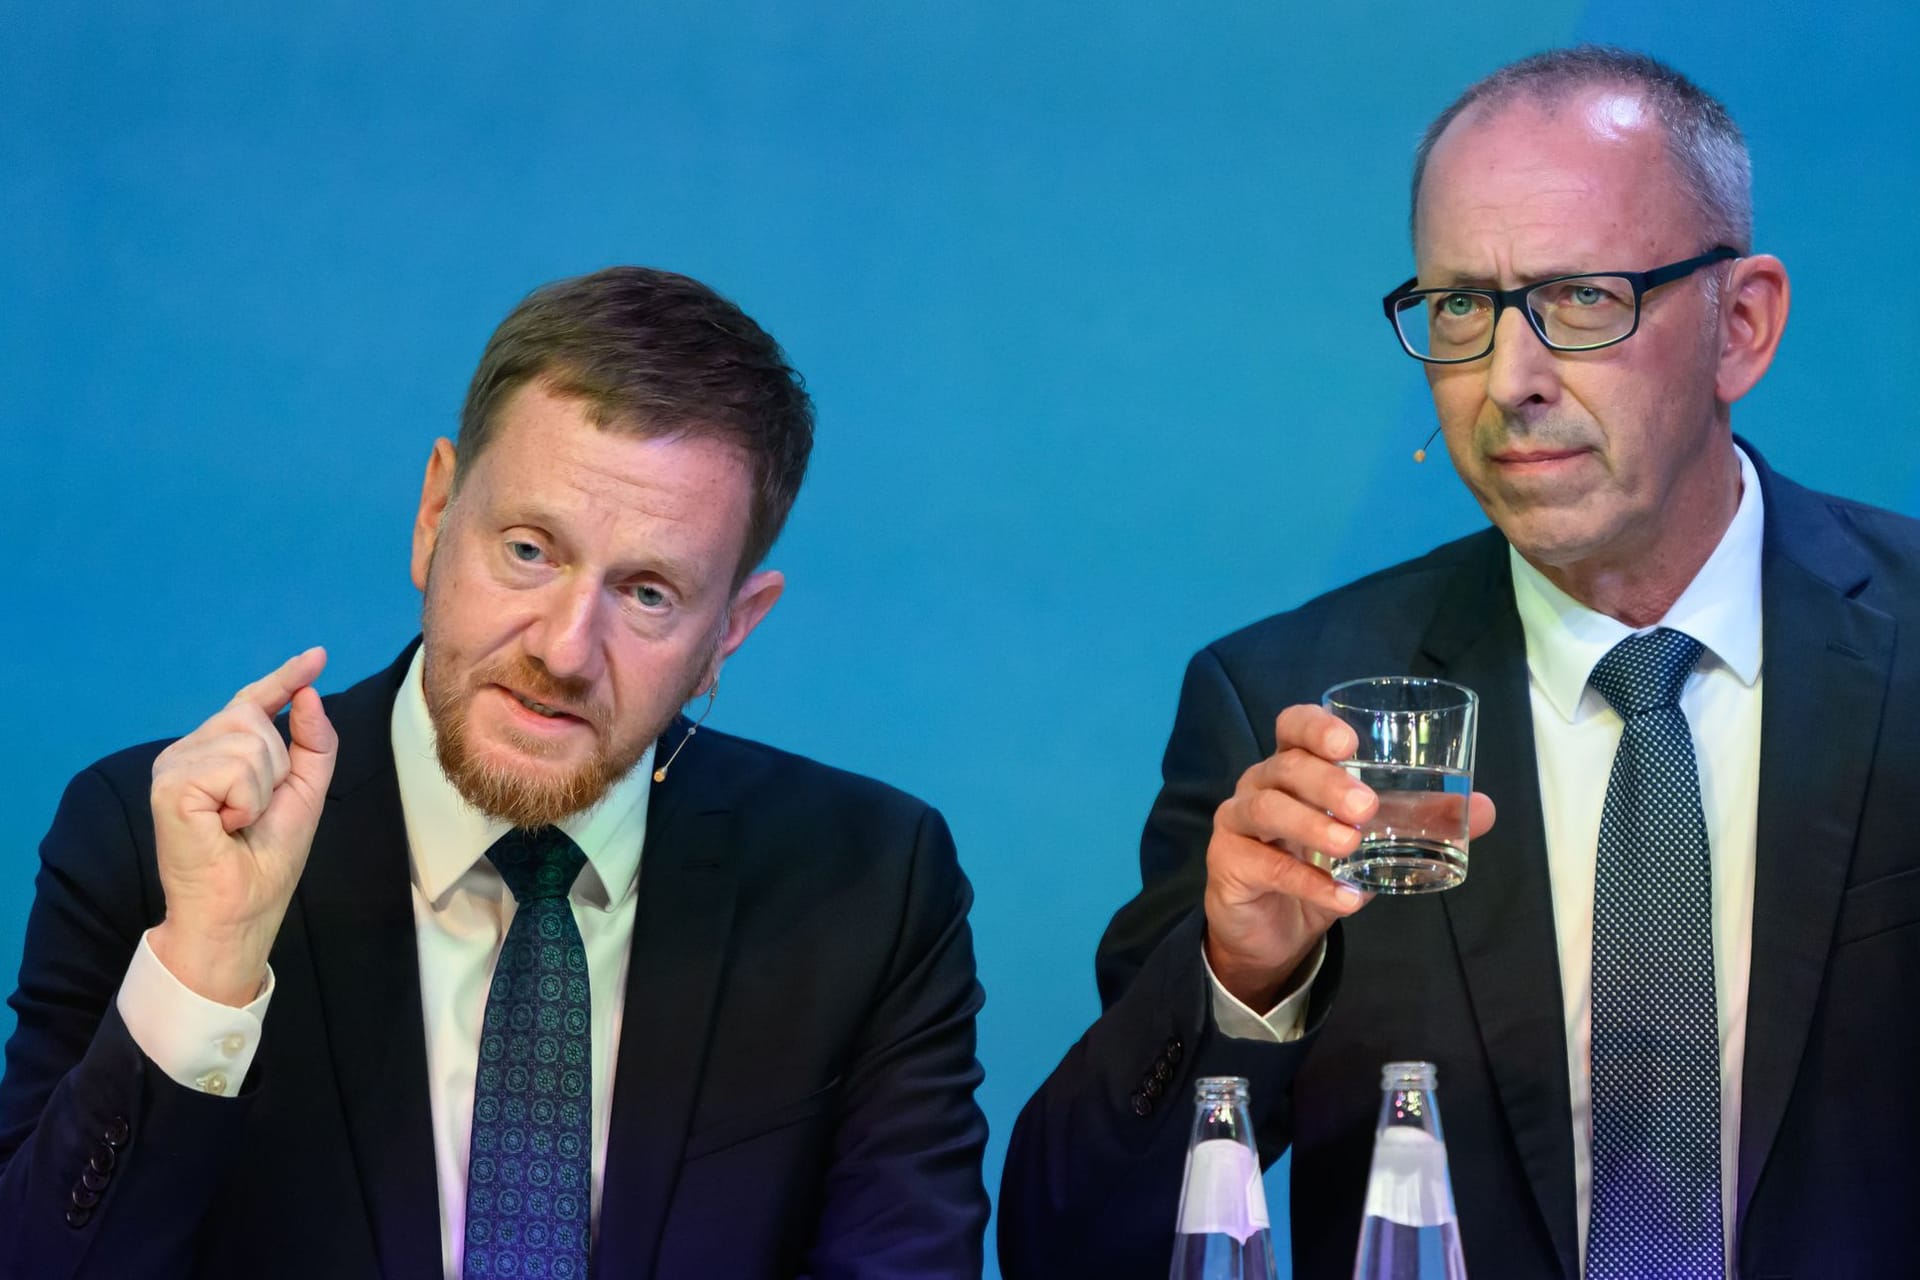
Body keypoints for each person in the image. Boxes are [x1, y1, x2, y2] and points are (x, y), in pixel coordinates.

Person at [999, 46, 1920, 1280]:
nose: (1508, 378)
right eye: (1461, 310)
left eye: (1583, 299)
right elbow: (1074, 1244)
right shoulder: (1290, 701)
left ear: (1739, 326)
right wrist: (1237, 976)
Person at [0, 267, 989, 1279]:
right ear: (435, 512)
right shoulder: (148, 842)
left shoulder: (869, 884)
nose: (566, 648)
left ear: (731, 628)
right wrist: (207, 968)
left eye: (648, 593)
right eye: (528, 548)